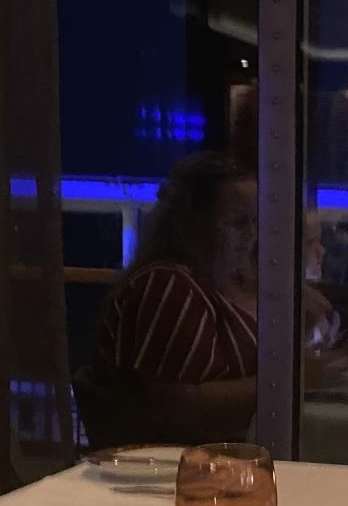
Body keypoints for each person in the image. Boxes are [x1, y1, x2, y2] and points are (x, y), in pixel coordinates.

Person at [83, 153, 261, 445]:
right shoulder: (167, 289)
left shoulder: (220, 285)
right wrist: (287, 383)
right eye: (239, 223)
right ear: (193, 224)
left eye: (256, 221)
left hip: (215, 456)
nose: (253, 235)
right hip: (174, 463)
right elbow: (180, 410)